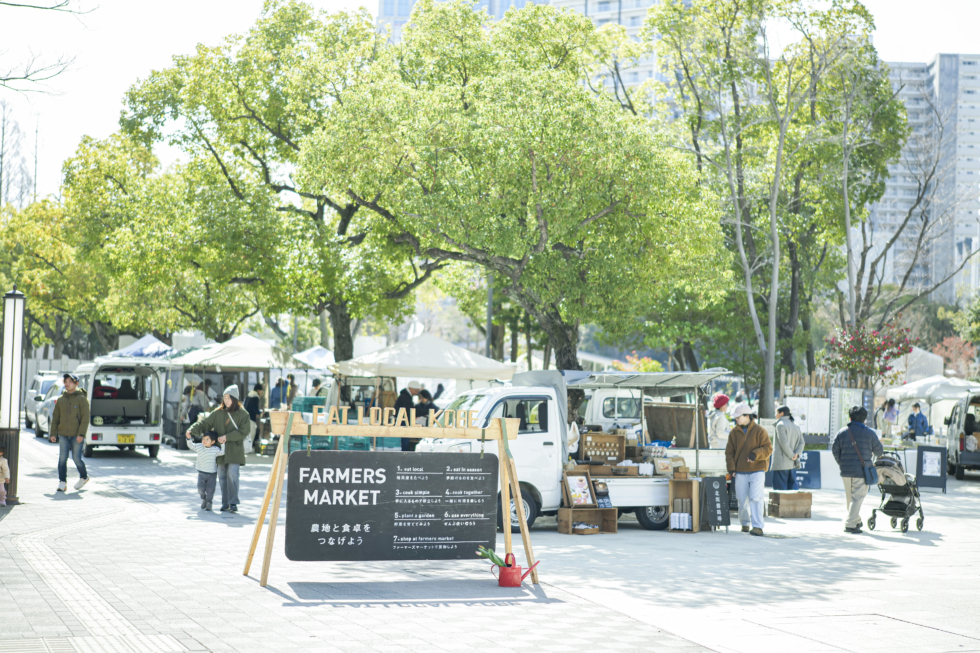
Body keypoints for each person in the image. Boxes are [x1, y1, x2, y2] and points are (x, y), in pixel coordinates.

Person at [188, 385, 250, 513]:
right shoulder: (217, 413)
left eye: (229, 398)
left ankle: (233, 502)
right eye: (224, 398)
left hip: (235, 451)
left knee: (233, 475)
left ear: (235, 399)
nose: (226, 400)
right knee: (222, 477)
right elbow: (204, 423)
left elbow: (244, 431)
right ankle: (225, 503)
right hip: (220, 451)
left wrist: (227, 437)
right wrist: (191, 430)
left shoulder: (243, 414)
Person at [832, 405, 884, 534]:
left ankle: (856, 520)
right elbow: (879, 452)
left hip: (845, 471)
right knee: (857, 498)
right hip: (861, 471)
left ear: (850, 417)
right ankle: (850, 524)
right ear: (864, 419)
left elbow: (835, 450)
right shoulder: (870, 433)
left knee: (850, 499)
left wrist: (841, 463)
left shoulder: (842, 432)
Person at [725, 403, 773, 536]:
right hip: (740, 471)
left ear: (747, 416)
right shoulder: (734, 433)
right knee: (742, 499)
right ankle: (745, 523)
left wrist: (755, 454)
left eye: (738, 417)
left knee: (756, 497)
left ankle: (757, 527)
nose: (736, 419)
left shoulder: (760, 430)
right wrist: (731, 468)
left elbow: (768, 448)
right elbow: (729, 452)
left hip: (758, 470)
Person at [50, 373, 90, 492]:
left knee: (76, 458)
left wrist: (81, 434)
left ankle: (84, 477)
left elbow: (85, 418)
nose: (67, 384)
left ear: (76, 383)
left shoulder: (82, 399)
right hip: (63, 435)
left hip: (76, 435)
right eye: (66, 381)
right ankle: (62, 482)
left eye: (70, 382)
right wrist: (53, 433)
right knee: (62, 459)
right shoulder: (61, 399)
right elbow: (55, 418)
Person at [185, 431, 225, 511]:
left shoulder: (215, 449)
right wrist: (189, 439)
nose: (204, 441)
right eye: (203, 438)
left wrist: (222, 444)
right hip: (201, 472)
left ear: (213, 442)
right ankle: (204, 499)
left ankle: (209, 502)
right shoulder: (199, 446)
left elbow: (222, 452)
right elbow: (191, 445)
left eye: (207, 439)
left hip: (212, 474)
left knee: (210, 490)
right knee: (200, 488)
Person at [772, 405, 805, 490]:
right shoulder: (796, 425)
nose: (775, 414)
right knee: (793, 492)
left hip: (781, 464)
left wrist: (792, 455)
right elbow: (802, 442)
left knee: (780, 493)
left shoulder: (780, 425)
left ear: (782, 413)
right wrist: (796, 454)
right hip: (793, 464)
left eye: (776, 412)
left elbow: (784, 443)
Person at [396, 380, 422, 451]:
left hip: (403, 421)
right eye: (416, 391)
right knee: (404, 439)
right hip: (403, 422)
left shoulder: (404, 396)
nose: (417, 393)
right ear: (411, 389)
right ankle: (404, 453)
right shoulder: (405, 398)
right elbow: (410, 410)